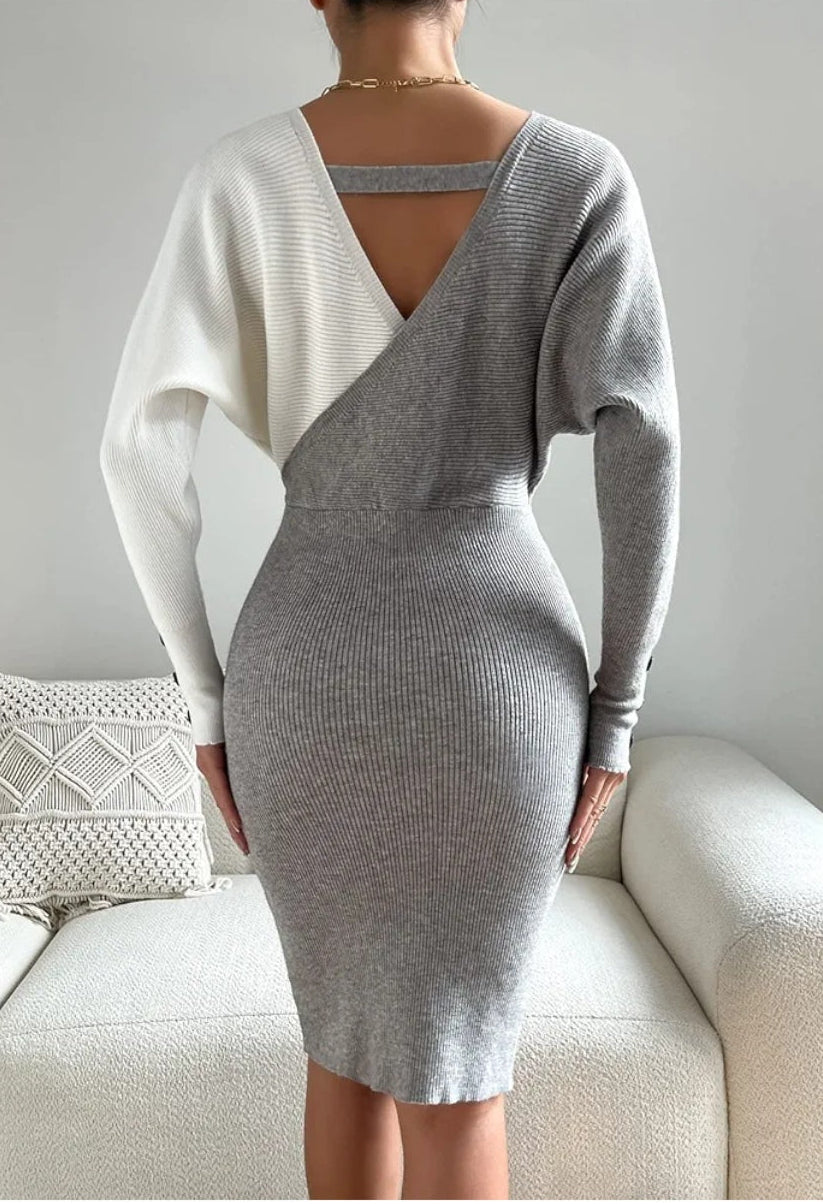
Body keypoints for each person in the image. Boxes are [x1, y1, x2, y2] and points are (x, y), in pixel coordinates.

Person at [98, 0, 681, 1196]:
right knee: (461, 1082)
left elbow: (134, 452)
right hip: (498, 683)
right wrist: (615, 710)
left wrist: (206, 702)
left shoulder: (242, 174)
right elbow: (645, 445)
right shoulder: (577, 177)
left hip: (302, 672)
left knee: (340, 1053)